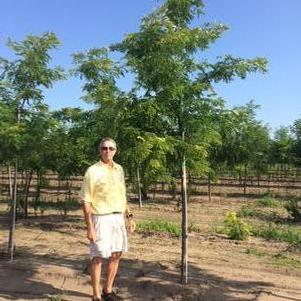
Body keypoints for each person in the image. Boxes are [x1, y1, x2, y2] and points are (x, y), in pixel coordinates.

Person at [79, 137, 136, 301]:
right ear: (100, 150)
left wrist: (129, 217)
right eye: (104, 148)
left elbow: (122, 195)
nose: (108, 151)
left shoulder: (119, 169)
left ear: (115, 151)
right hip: (100, 218)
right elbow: (86, 201)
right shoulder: (92, 171)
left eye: (111, 148)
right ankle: (96, 295)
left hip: (118, 218)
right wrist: (89, 227)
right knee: (97, 257)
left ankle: (108, 291)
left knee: (116, 254)